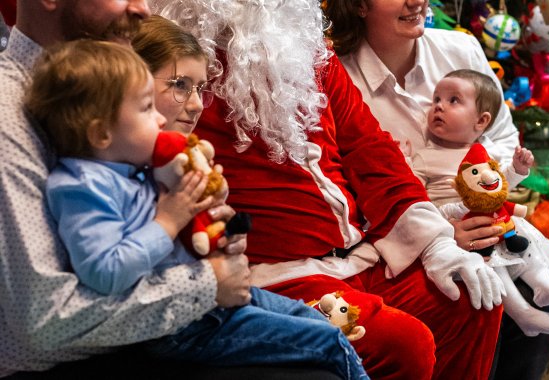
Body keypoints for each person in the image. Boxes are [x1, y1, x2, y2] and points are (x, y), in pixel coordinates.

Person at [160, 0, 506, 379]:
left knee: (472, 299)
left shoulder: (307, 48)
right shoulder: (177, 67)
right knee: (403, 342)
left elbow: (370, 148)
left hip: (361, 257)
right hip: (281, 276)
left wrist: (436, 243)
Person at [0, 1, 329, 378]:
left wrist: (199, 229)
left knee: (323, 341)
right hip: (71, 362)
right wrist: (206, 283)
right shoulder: (8, 117)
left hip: (144, 338)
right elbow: (45, 322)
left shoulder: (116, 96)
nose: (142, 7)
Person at [322, 1, 549, 378]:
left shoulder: (459, 49)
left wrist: (476, 192)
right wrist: (439, 231)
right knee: (476, 298)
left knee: (539, 304)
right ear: (359, 5)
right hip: (395, 245)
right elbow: (345, 190)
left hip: (482, 223)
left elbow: (501, 134)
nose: (417, 1)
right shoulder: (338, 76)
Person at [410, 69, 549, 337]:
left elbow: (501, 184)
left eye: (453, 100)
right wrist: (444, 224)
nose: (438, 105)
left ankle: (543, 283)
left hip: (496, 222)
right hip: (456, 230)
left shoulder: (488, 156)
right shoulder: (426, 156)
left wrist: (519, 169)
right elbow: (417, 201)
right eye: (436, 99)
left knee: (523, 235)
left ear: (481, 120)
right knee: (490, 265)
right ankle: (522, 313)